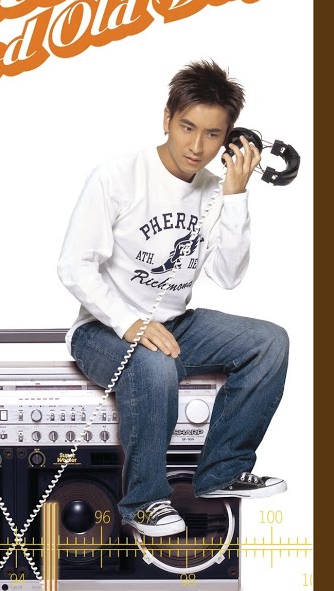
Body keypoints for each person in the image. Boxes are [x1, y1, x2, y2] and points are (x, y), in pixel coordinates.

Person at [56, 60, 288, 538]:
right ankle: (144, 501)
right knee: (154, 365)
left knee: (270, 342)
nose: (197, 147)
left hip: (176, 324)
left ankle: (222, 470)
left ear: (227, 139)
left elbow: (228, 276)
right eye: (187, 128)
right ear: (167, 118)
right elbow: (74, 265)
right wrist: (130, 324)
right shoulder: (118, 176)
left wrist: (236, 196)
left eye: (212, 134)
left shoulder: (215, 190)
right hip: (102, 329)